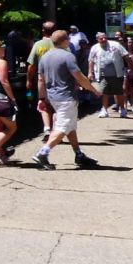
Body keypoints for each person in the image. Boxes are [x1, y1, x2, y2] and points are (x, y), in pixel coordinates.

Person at [33, 30, 101, 169]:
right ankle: (42, 153)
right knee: (63, 127)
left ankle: (78, 154)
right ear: (64, 40)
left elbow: (40, 80)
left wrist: (41, 98)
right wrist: (93, 89)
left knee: (69, 126)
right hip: (66, 97)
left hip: (53, 97)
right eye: (68, 39)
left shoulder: (44, 57)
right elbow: (79, 76)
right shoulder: (68, 56)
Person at [26, 21, 56, 141]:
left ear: (43, 30)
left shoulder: (38, 45)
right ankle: (56, 131)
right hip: (60, 79)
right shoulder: (61, 43)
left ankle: (47, 128)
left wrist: (28, 80)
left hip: (42, 79)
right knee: (57, 106)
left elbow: (31, 65)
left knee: (44, 104)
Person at [89, 31, 128, 117]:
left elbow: (125, 55)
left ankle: (122, 109)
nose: (103, 39)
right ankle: (104, 110)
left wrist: (130, 67)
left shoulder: (116, 45)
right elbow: (91, 61)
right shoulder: (94, 48)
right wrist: (90, 72)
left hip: (117, 73)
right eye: (101, 38)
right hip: (102, 74)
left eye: (105, 37)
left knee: (119, 92)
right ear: (97, 39)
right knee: (104, 92)